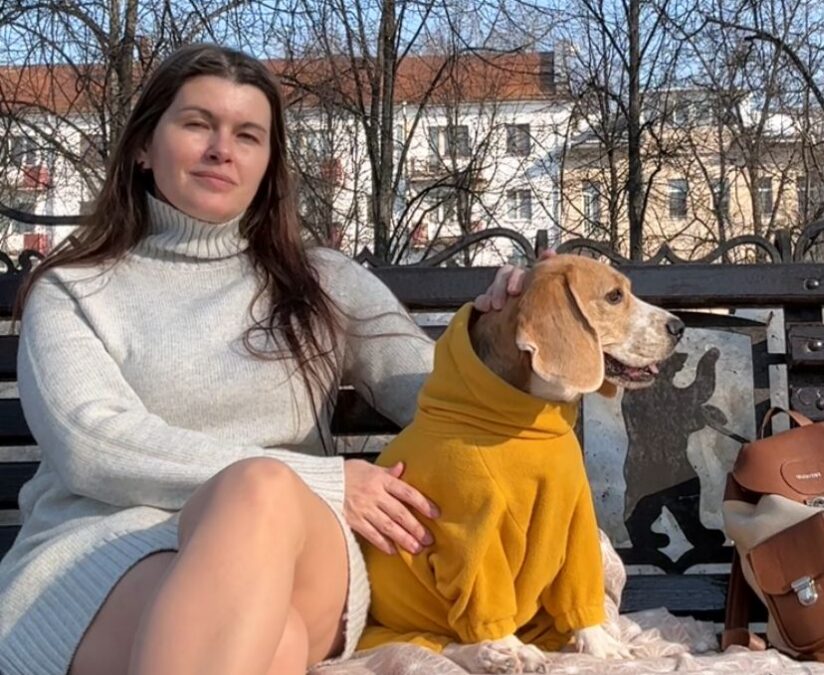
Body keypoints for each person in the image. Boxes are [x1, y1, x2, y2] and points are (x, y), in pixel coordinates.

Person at [0, 43, 533, 675]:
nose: (221, 149)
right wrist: (319, 476)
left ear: (267, 164)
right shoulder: (74, 289)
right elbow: (92, 444)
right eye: (198, 124)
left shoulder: (323, 281)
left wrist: (512, 335)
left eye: (247, 135)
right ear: (143, 145)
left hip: (299, 545)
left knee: (259, 492)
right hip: (106, 545)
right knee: (268, 644)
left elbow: (437, 398)